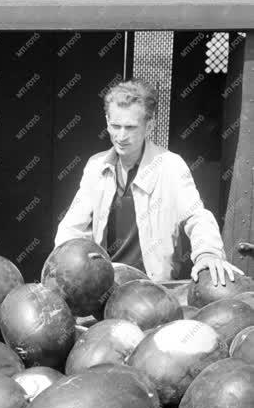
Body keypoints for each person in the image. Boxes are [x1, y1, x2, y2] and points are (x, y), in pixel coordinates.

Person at [54, 78, 241, 285]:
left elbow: (197, 217)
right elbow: (72, 228)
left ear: (149, 126)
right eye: (115, 126)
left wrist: (208, 253)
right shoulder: (96, 166)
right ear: (107, 122)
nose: (121, 136)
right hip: (106, 286)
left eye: (130, 127)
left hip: (154, 289)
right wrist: (62, 268)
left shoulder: (170, 165)